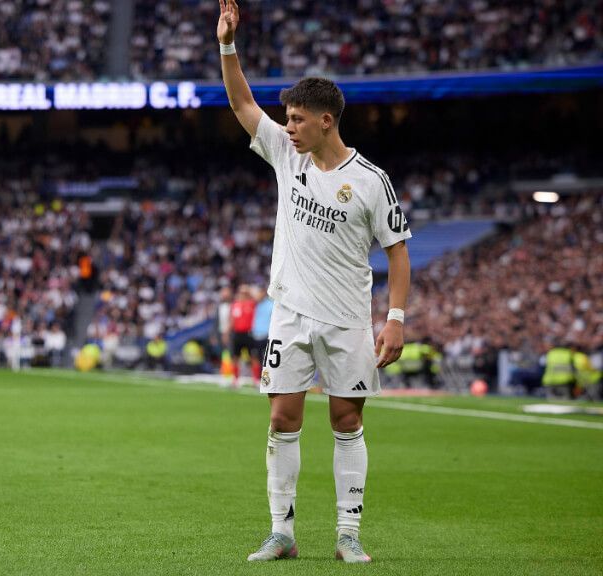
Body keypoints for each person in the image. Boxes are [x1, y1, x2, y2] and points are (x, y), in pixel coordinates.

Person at [218, 0, 412, 563]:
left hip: (348, 319)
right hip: (290, 313)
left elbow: (398, 253)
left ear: (326, 120)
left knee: (346, 421)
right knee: (282, 418)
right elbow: (242, 103)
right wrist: (227, 45)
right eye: (288, 119)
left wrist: (396, 320)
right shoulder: (287, 155)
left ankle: (348, 534)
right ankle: (281, 532)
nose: (289, 127)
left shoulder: (372, 181)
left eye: (298, 119)